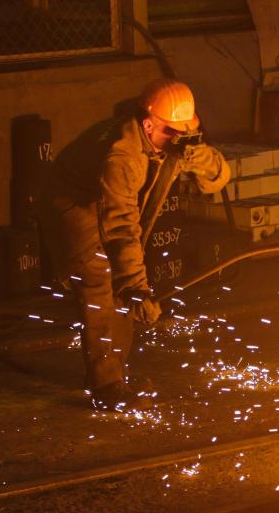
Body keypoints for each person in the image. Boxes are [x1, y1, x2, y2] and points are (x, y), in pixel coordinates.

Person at [38, 78, 230, 411]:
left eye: (185, 132)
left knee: (122, 285)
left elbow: (220, 177)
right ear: (148, 124)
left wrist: (206, 162)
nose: (179, 139)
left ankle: (115, 375)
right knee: (100, 280)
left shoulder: (165, 139)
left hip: (104, 202)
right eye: (173, 132)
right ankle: (106, 386)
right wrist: (137, 287)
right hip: (71, 204)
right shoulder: (122, 157)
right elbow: (121, 227)